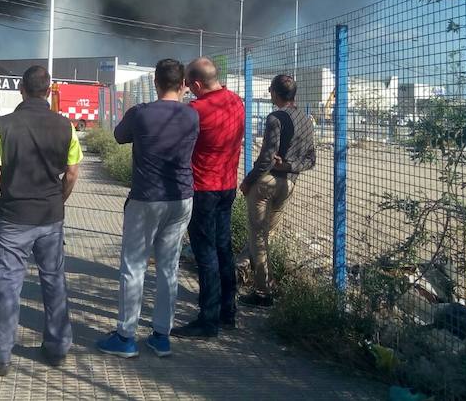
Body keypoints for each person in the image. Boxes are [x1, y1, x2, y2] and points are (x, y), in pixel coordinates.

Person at [0, 65, 83, 377]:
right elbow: (72, 171)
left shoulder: (4, 125)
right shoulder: (66, 126)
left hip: (13, 219)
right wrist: (60, 199)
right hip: (50, 216)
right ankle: (58, 348)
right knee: (54, 281)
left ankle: (0, 357)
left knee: (7, 287)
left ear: (21, 89)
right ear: (48, 92)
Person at [96, 59, 198, 359]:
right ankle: (161, 337)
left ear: (155, 83)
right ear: (183, 85)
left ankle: (126, 336)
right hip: (181, 198)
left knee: (134, 266)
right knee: (169, 268)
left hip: (146, 199)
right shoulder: (192, 116)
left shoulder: (140, 114)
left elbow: (118, 136)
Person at [171, 57, 245, 339]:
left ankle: (208, 319)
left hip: (203, 189)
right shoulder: (236, 102)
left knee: (206, 254)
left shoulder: (196, 111)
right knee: (224, 248)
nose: (188, 89)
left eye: (190, 85)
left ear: (198, 84)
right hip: (227, 186)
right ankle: (228, 311)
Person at [237, 74, 315, 307]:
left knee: (258, 235)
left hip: (266, 184)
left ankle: (262, 292)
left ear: (275, 93)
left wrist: (248, 181)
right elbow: (311, 159)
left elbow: (266, 158)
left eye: (271, 90)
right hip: (289, 184)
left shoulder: (275, 117)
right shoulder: (306, 120)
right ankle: (247, 271)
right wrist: (290, 166)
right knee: (266, 233)